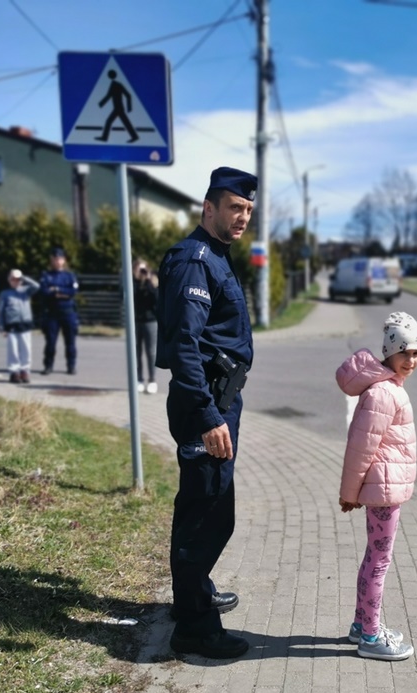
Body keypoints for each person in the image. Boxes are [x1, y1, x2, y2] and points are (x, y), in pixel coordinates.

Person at [155, 166, 257, 659]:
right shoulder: (196, 260)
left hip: (218, 401)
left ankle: (193, 594)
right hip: (207, 406)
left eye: (248, 210)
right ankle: (195, 627)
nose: (242, 217)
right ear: (209, 208)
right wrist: (209, 416)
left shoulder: (216, 256)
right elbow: (185, 346)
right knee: (207, 516)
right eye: (235, 208)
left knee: (208, 508)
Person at [336, 311, 417, 661]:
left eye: (416, 353)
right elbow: (360, 447)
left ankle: (362, 624)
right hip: (383, 491)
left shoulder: (387, 387)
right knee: (379, 561)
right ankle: (371, 636)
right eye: (404, 352)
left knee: (375, 557)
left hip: (383, 488)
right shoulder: (384, 393)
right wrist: (349, 494)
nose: (411, 360)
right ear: (389, 352)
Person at [38, 248, 79, 375]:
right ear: (52, 260)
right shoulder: (46, 275)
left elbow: (73, 292)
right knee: (50, 342)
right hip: (52, 313)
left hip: (68, 312)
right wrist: (60, 292)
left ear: (64, 260)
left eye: (60, 259)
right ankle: (48, 366)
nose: (57, 261)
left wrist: (56, 290)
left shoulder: (69, 275)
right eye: (55, 259)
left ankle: (71, 366)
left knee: (70, 342)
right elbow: (44, 292)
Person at [0, 269, 40, 384]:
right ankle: (14, 372)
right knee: (13, 350)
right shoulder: (5, 294)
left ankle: (25, 370)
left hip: (25, 324)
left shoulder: (25, 291)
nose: (15, 281)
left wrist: (24, 278)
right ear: (9, 280)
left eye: (17, 279)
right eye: (13, 279)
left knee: (26, 349)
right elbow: (1, 311)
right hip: (11, 325)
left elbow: (37, 286)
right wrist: (1, 326)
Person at [131, 258, 159, 394]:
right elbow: (129, 297)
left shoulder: (152, 282)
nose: (141, 272)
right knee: (136, 352)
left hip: (151, 321)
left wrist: (148, 281)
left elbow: (156, 299)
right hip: (136, 321)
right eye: (139, 269)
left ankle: (152, 380)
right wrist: (136, 280)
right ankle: (139, 379)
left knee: (151, 352)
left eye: (143, 269)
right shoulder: (133, 283)